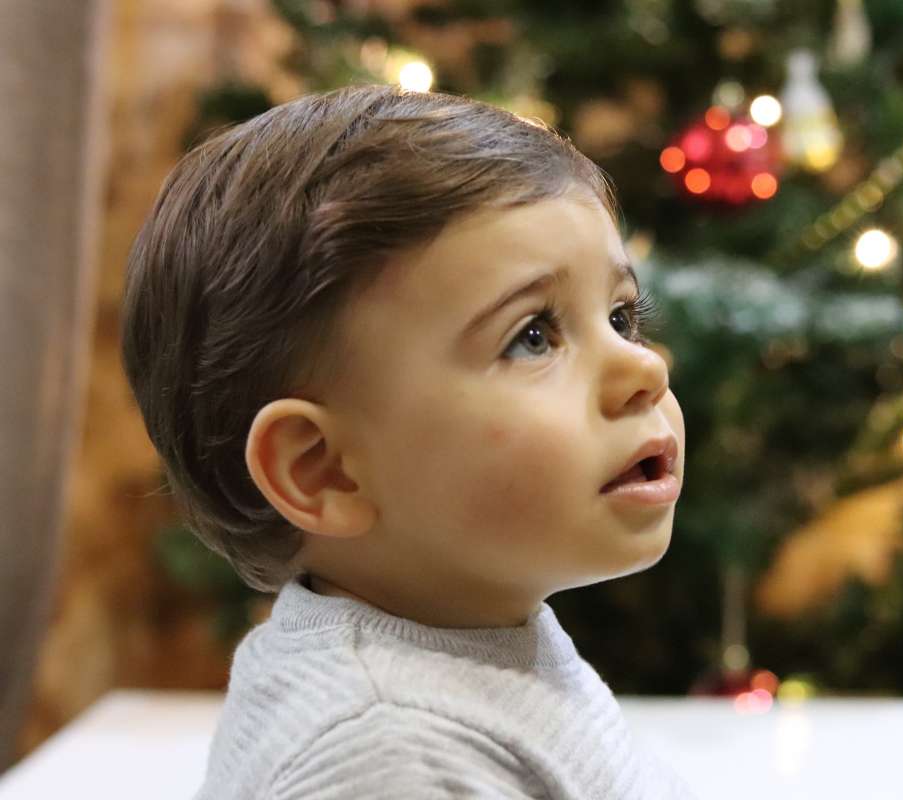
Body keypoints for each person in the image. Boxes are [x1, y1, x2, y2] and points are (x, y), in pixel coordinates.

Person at [119, 83, 693, 799]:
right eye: (533, 336)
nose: (643, 367)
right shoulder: (388, 749)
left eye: (621, 316)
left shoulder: (464, 641)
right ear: (322, 469)